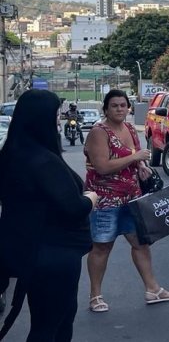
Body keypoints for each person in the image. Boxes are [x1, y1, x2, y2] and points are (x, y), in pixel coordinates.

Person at [0, 89, 98, 341]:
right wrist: (90, 199)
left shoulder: (12, 155)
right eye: (55, 115)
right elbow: (72, 208)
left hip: (30, 250)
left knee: (50, 320)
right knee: (50, 326)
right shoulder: (43, 162)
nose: (59, 120)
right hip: (54, 254)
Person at [84, 89, 169, 313]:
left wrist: (141, 167)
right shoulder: (99, 132)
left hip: (132, 198)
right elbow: (102, 166)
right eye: (114, 105)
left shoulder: (128, 128)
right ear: (105, 109)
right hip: (105, 200)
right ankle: (95, 296)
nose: (119, 109)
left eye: (123, 105)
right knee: (101, 247)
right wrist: (135, 158)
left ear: (129, 108)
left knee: (141, 243)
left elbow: (134, 157)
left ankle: (152, 289)